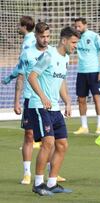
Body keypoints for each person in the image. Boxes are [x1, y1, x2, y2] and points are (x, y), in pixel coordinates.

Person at [28, 26, 80, 196]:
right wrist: (43, 97)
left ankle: (52, 183)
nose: (75, 46)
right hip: (40, 106)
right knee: (48, 142)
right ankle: (38, 184)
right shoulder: (49, 55)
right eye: (73, 42)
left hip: (55, 108)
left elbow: (62, 81)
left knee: (62, 144)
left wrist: (68, 101)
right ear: (64, 41)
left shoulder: (65, 59)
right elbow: (32, 77)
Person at [14, 22, 65, 185]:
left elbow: (59, 77)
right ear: (35, 35)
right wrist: (16, 100)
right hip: (32, 100)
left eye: (48, 36)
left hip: (48, 103)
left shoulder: (52, 53)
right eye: (42, 36)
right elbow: (21, 76)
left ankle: (51, 173)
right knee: (29, 136)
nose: (45, 40)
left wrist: (66, 100)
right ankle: (27, 173)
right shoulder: (27, 53)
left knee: (49, 140)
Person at [73, 17, 100, 135]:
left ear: (85, 25)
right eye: (76, 26)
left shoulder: (94, 36)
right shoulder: (75, 38)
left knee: (96, 98)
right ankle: (84, 126)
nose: (77, 28)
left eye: (79, 26)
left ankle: (99, 126)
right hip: (81, 72)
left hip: (94, 72)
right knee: (81, 99)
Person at [2, 16, 36, 85]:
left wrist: (10, 77)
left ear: (25, 27)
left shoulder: (27, 44)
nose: (18, 27)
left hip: (32, 79)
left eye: (19, 25)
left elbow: (22, 65)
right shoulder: (35, 37)